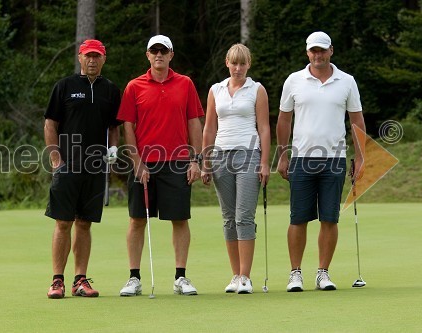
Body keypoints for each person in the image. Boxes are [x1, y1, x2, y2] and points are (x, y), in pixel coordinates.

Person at [276, 31, 366, 292]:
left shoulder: (347, 81)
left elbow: (356, 120)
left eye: (322, 50)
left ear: (331, 51)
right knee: (298, 218)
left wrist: (361, 158)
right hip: (302, 158)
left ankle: (323, 273)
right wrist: (282, 155)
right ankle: (295, 274)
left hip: (335, 158)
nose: (318, 55)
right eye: (314, 50)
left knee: (330, 218)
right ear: (307, 53)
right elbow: (284, 119)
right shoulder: (294, 81)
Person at [117, 35, 204, 296]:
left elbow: (194, 122)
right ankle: (134, 277)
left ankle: (181, 277)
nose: (158, 55)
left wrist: (196, 160)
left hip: (177, 162)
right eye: (154, 51)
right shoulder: (134, 86)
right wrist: (137, 162)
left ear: (170, 55)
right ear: (147, 55)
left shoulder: (185, 84)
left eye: (163, 51)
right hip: (145, 164)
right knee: (137, 220)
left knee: (180, 219)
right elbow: (128, 127)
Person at [44, 39, 121, 299]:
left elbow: (113, 126)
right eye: (88, 56)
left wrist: (113, 149)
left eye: (97, 56)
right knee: (63, 222)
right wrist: (56, 159)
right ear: (80, 57)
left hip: (95, 166)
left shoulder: (109, 90)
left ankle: (80, 280)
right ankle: (57, 281)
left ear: (103, 60)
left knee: (85, 223)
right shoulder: (64, 86)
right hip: (67, 165)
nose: (92, 60)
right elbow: (50, 123)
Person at [201, 44, 270, 294]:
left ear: (248, 64)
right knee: (229, 218)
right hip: (220, 156)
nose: (238, 68)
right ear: (227, 63)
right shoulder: (215, 90)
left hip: (249, 155)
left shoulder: (257, 90)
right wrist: (205, 162)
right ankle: (235, 275)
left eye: (243, 64)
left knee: (244, 216)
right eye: (234, 63)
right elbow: (209, 128)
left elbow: (264, 128)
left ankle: (246, 277)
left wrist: (264, 162)